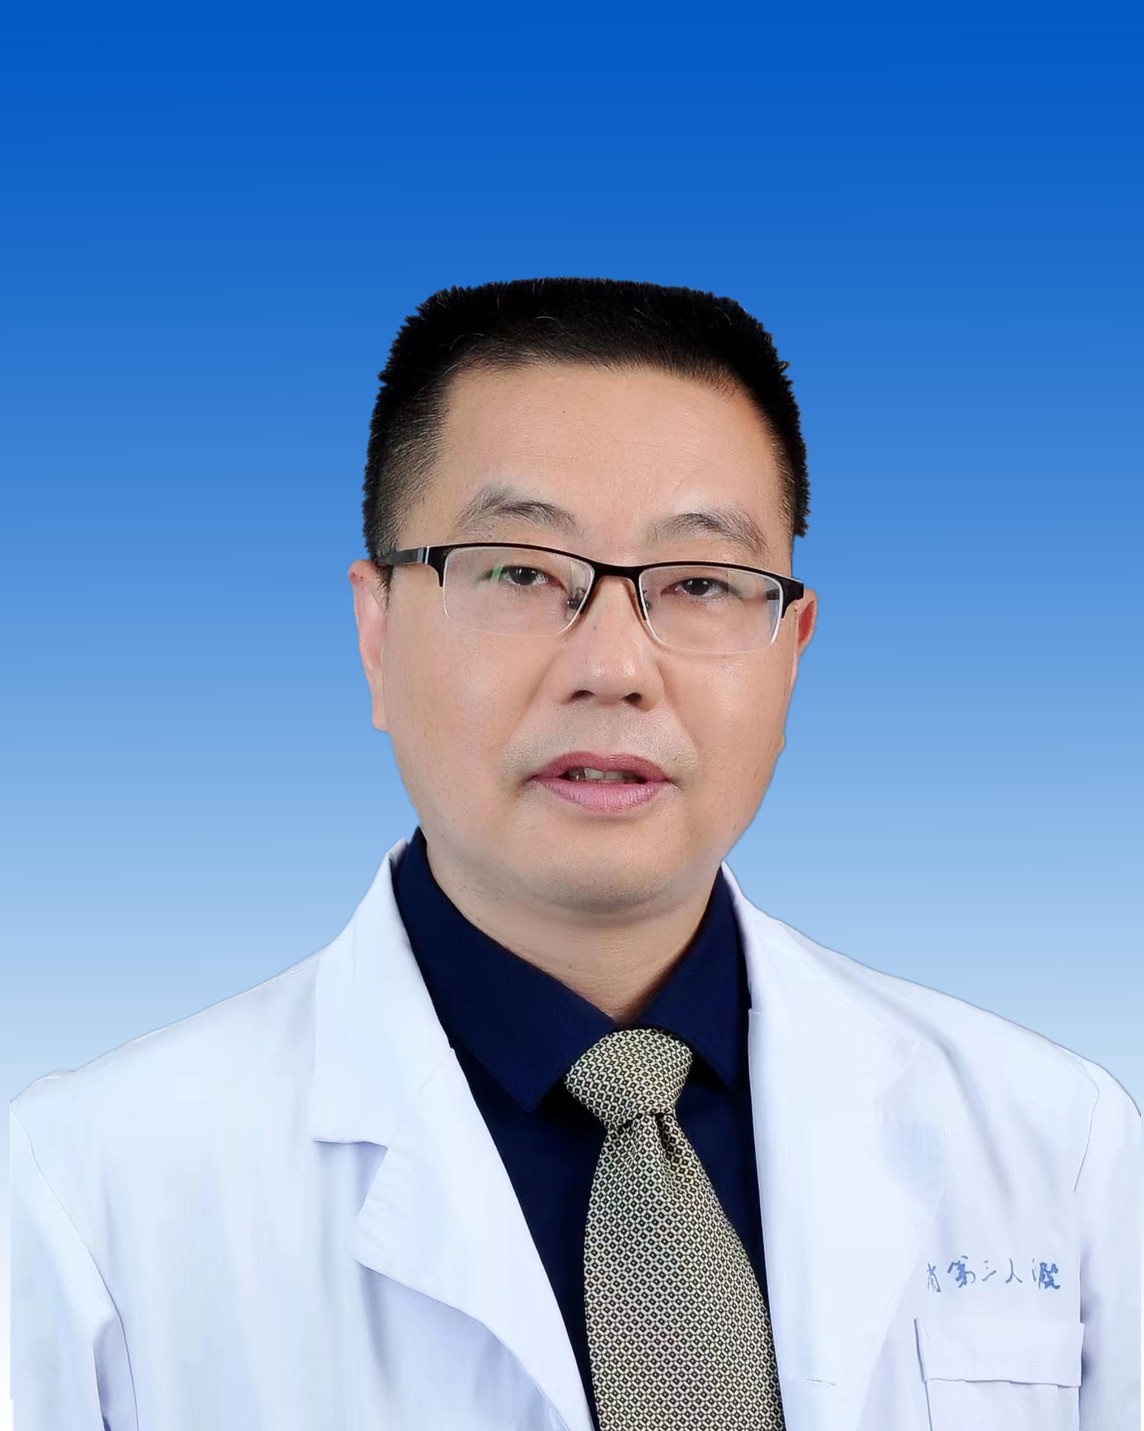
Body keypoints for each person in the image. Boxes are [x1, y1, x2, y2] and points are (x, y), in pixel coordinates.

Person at [9, 277, 1139, 1431]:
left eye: (698, 584)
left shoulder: (1056, 1144)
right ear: (377, 630)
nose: (613, 668)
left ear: (791, 648)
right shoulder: (81, 1197)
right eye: (520, 572)